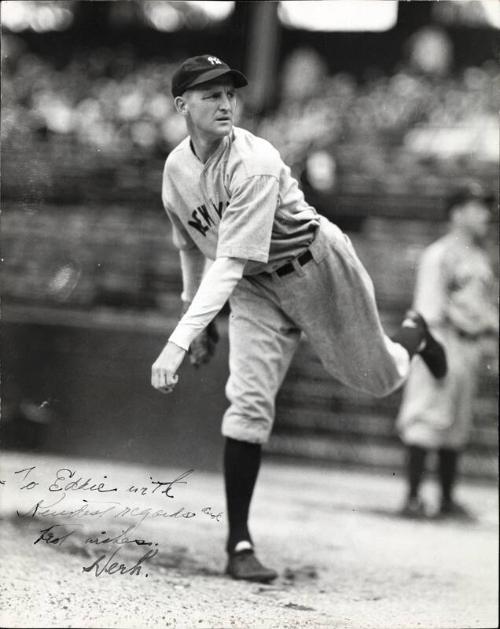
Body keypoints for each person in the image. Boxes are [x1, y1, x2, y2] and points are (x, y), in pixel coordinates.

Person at [151, 55, 447, 582]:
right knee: (246, 406)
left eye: (229, 94)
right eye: (210, 94)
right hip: (254, 292)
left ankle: (413, 337)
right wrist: (197, 315)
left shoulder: (255, 160)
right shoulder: (176, 170)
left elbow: (231, 259)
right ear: (181, 105)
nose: (224, 103)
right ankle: (239, 543)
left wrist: (179, 340)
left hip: (315, 267)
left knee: (377, 378)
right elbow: (192, 248)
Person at [397, 182, 498, 520]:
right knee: (427, 416)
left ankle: (447, 498)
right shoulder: (439, 254)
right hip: (441, 340)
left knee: (456, 422)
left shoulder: (478, 257)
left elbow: (482, 308)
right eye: (477, 207)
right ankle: (412, 497)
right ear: (457, 214)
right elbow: (428, 310)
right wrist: (434, 354)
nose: (486, 213)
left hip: (469, 345)